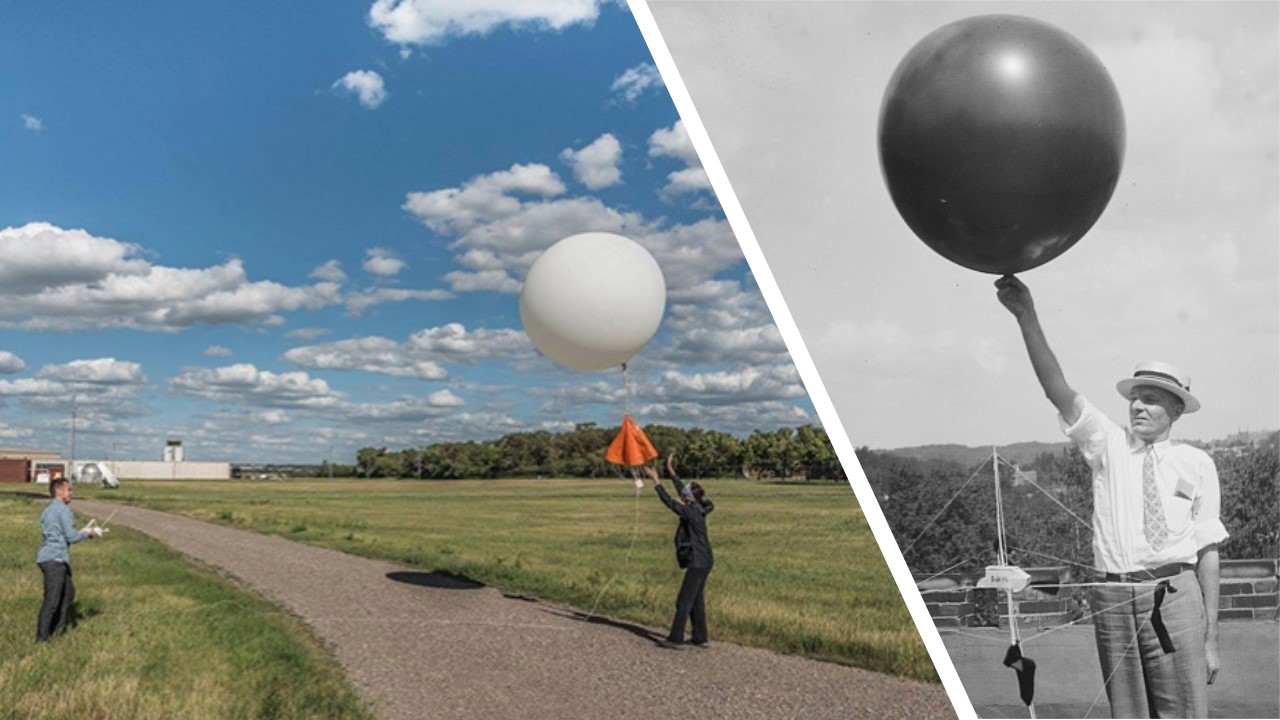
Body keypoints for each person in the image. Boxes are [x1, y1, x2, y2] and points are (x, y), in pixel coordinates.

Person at [996, 274, 1227, 718]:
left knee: (1184, 711)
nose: (1138, 407)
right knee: (1129, 712)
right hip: (1114, 599)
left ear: (1176, 409)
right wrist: (1027, 316)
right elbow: (1057, 389)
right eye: (1135, 398)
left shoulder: (1197, 463)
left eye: (1152, 400)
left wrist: (1211, 636)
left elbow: (1209, 551)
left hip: (1176, 596)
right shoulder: (1108, 445)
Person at [643, 453, 714, 649]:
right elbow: (683, 491)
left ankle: (675, 639)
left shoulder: (689, 512)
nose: (682, 494)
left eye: (684, 494)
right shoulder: (701, 507)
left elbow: (668, 502)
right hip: (706, 560)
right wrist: (671, 469)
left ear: (687, 499)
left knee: (683, 601)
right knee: (696, 600)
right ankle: (700, 637)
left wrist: (656, 481)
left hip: (697, 562)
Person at [36, 477, 101, 642]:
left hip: (50, 558)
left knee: (68, 594)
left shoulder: (48, 510)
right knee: (52, 600)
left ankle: (57, 631)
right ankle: (42, 639)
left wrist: (82, 532)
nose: (72, 493)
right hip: (55, 560)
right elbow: (72, 537)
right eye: (69, 490)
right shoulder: (63, 510)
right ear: (60, 491)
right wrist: (89, 533)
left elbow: (59, 534)